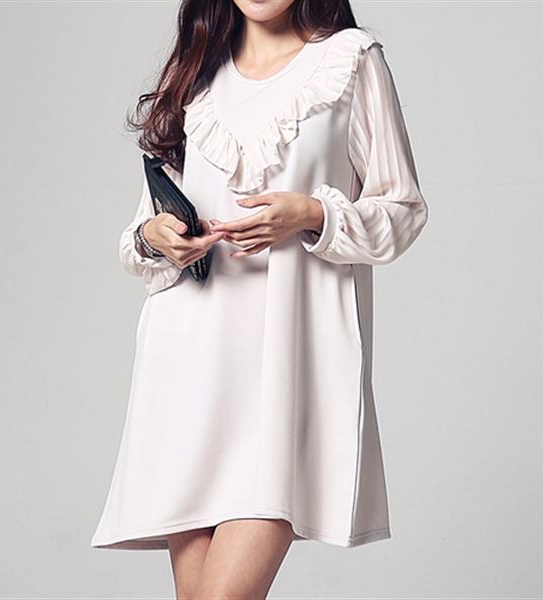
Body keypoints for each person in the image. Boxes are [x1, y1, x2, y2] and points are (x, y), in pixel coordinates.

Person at [91, 1, 429, 598]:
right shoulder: (197, 72)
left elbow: (402, 210)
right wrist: (156, 237)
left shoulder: (350, 62)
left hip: (285, 371)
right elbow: (139, 238)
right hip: (188, 369)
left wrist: (313, 213)